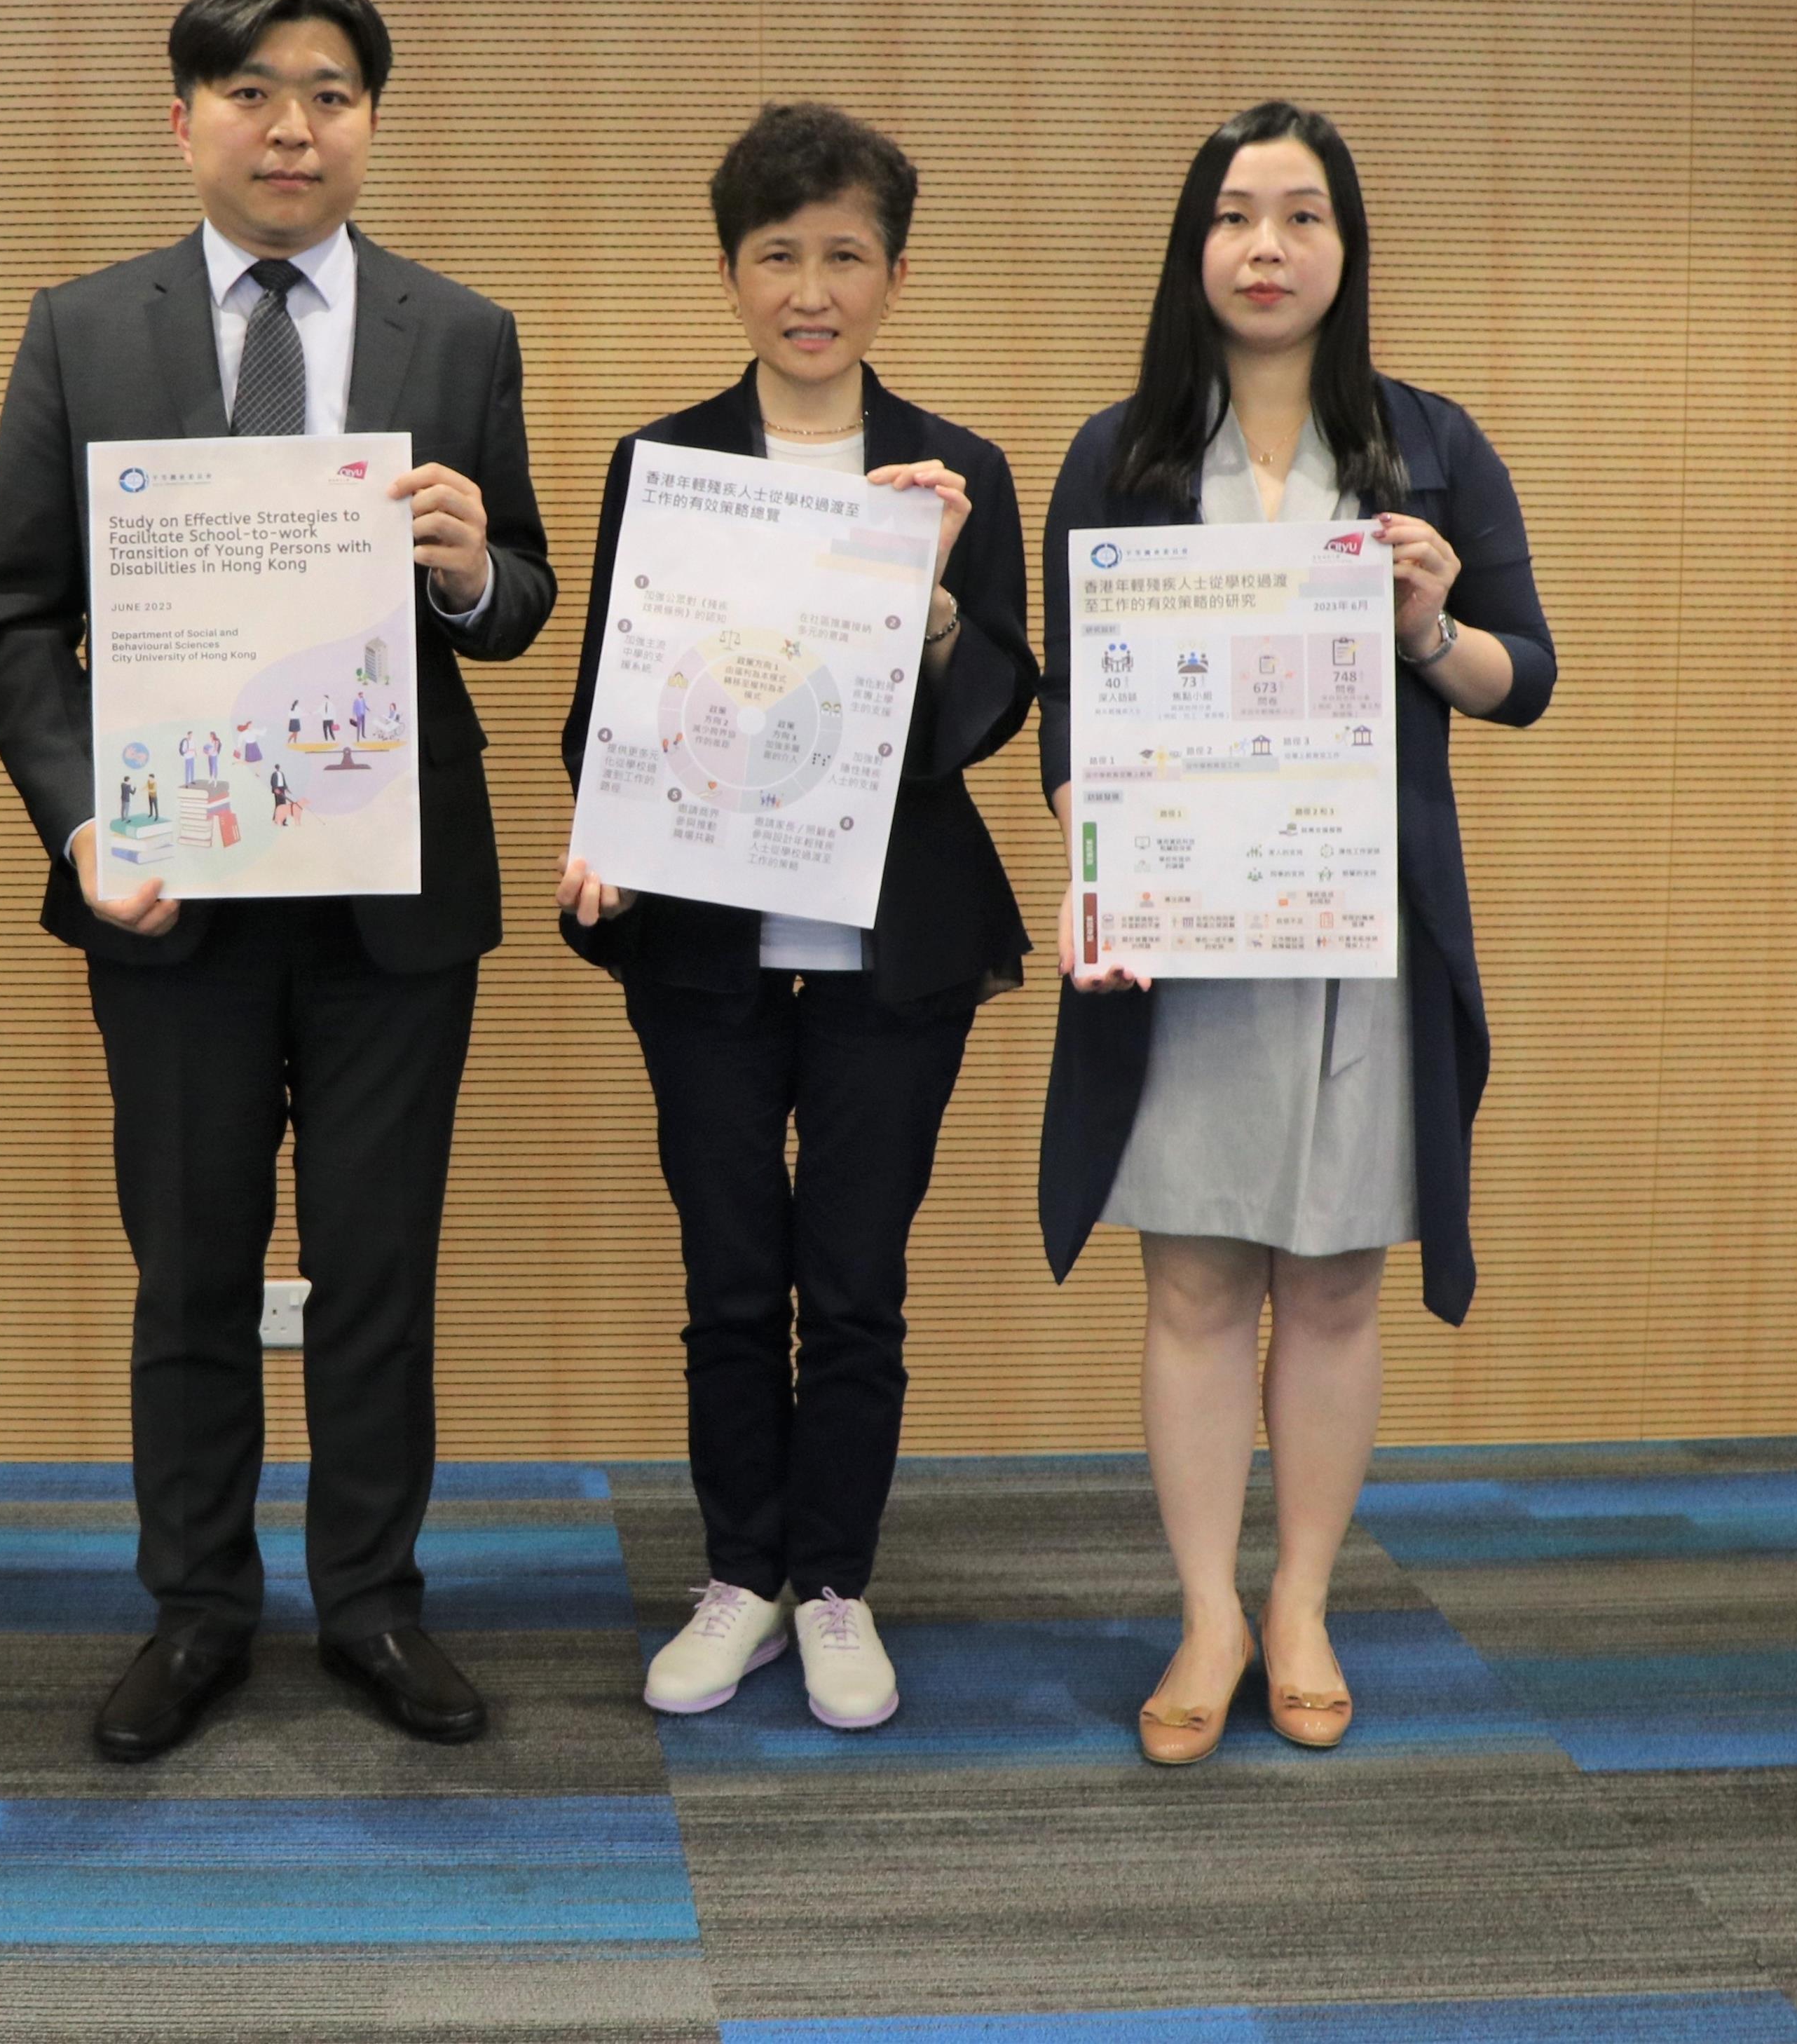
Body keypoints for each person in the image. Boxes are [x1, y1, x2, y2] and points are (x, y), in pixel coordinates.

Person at [0, 0, 554, 1762]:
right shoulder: (83, 328)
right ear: (185, 121)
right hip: (170, 897)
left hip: (392, 899)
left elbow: (523, 602)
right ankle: (199, 1607)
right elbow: (10, 614)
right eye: (250, 91)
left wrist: (464, 569)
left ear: (370, 122)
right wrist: (79, 825)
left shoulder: (457, 334)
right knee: (192, 1266)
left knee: (382, 1267)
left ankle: (373, 1603)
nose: (290, 124)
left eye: (329, 92)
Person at [1036, 100, 1554, 1764]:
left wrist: (1429, 623)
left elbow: (1521, 678)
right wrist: (1089, 874)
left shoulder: (1430, 445)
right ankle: (1202, 1607)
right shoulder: (1119, 453)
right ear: (1192, 248)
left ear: (1346, 249)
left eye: (1302, 216)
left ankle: (1302, 1600)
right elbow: (1071, 729)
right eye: (1236, 215)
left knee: (1332, 1283)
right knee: (1192, 1281)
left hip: (1357, 934)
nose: (1267, 247)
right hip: (1182, 936)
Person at [556, 104, 1035, 1730]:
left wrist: (946, 603)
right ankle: (738, 1576)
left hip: (889, 941)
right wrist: (601, 835)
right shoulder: (663, 464)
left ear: (893, 277)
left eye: (843, 256)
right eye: (778, 257)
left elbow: (986, 723)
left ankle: (833, 1585)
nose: (809, 289)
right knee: (725, 1278)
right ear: (731, 275)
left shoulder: (956, 469)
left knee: (853, 1282)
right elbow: (613, 704)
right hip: (699, 942)